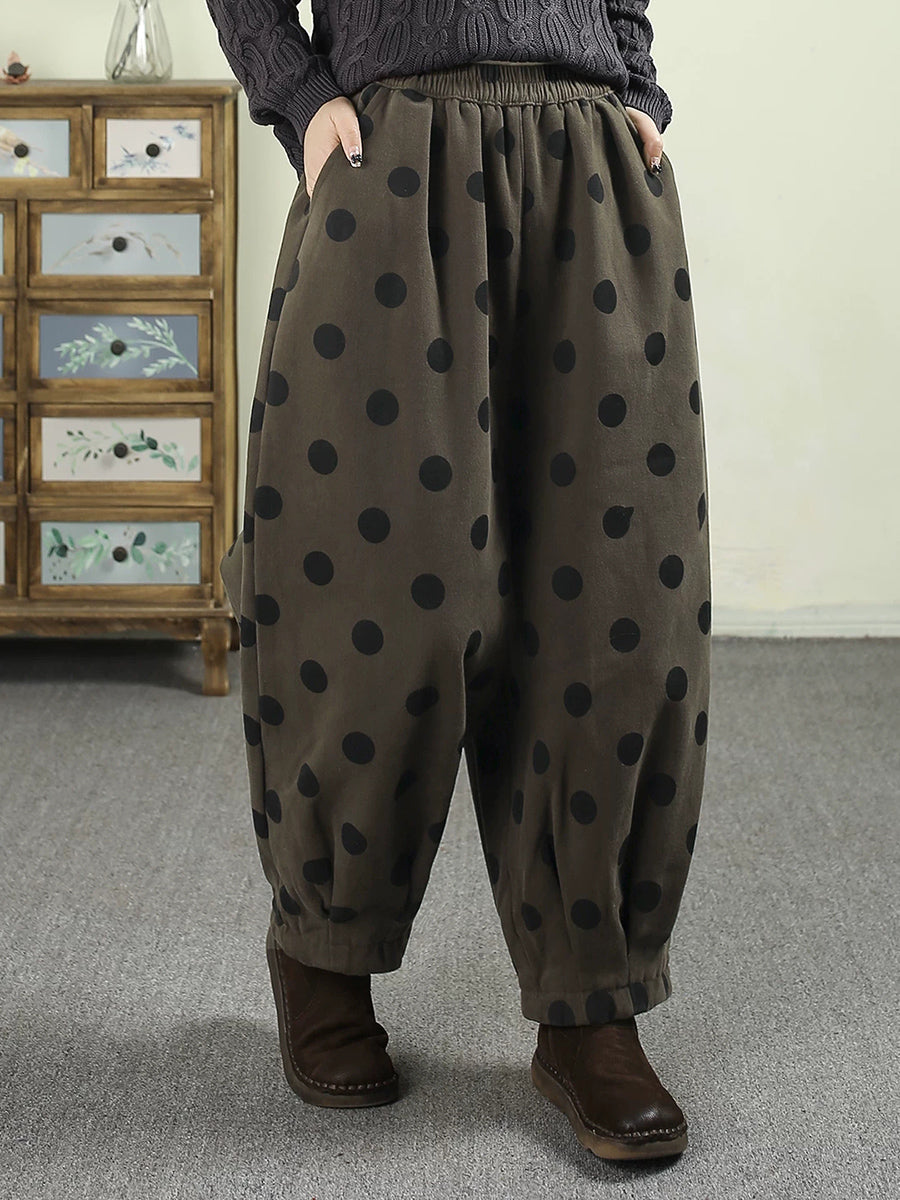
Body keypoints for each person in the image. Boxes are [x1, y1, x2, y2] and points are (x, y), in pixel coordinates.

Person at [204, 0, 711, 1163]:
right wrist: (300, 96)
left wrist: (635, 87)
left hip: (590, 160)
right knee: (373, 591)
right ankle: (324, 947)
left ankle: (592, 999)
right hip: (391, 155)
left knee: (614, 600)